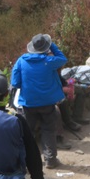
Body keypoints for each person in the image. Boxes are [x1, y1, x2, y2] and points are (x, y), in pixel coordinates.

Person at [11, 33, 68, 169]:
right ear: (46, 48)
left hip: (28, 103)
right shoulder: (49, 62)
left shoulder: (21, 61)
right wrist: (51, 45)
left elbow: (15, 82)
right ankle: (50, 160)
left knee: (27, 132)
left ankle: (25, 161)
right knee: (48, 129)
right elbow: (62, 58)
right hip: (48, 102)